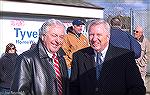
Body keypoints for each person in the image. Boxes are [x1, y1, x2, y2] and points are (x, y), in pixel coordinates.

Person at [69, 19, 146, 95]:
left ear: (108, 37)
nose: (94, 39)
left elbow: (138, 88)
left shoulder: (125, 57)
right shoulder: (79, 57)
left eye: (98, 35)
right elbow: (74, 87)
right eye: (91, 35)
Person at [11, 19, 69, 95]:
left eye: (61, 37)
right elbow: (18, 93)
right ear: (43, 36)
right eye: (54, 35)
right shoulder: (26, 59)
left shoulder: (61, 58)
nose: (58, 41)